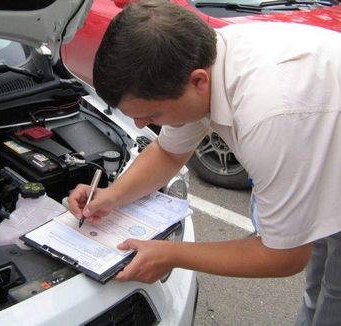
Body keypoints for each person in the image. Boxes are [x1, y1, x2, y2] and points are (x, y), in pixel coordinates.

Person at [68, 0, 341, 324]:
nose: (141, 126)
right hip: (323, 149)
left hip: (315, 134)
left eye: (152, 114)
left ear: (198, 82)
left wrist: (172, 254)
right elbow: (168, 152)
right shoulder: (206, 58)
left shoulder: (269, 114)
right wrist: (112, 196)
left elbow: (284, 256)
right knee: (319, 284)